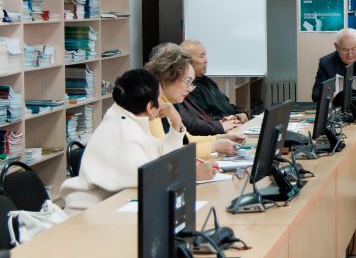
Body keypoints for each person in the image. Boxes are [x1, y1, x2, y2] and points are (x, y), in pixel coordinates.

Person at [61, 69, 186, 212]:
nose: (164, 103)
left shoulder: (127, 116)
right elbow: (152, 178)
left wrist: (176, 122)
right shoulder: (124, 132)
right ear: (150, 107)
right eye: (160, 97)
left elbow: (162, 156)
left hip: (111, 206)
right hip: (90, 213)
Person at [146, 43, 243, 168]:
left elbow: (187, 139)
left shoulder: (168, 102)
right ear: (167, 77)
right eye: (187, 82)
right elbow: (165, 155)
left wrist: (221, 137)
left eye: (191, 83)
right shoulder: (151, 107)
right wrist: (214, 146)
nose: (189, 89)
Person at [179, 38, 248, 124]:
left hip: (232, 125)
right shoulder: (190, 89)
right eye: (201, 56)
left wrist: (241, 113)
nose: (206, 60)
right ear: (188, 61)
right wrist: (232, 119)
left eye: (205, 55)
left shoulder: (207, 81)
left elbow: (226, 106)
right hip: (221, 128)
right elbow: (205, 119)